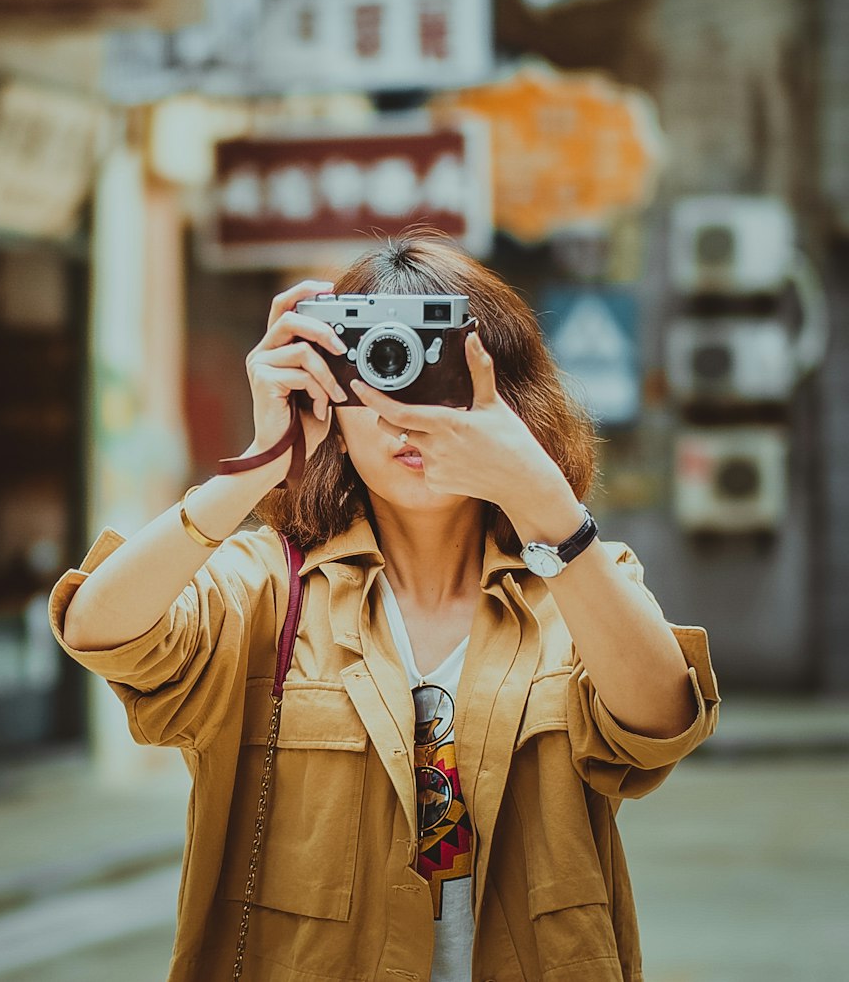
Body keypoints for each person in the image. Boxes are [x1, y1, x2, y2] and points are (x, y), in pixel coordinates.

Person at [50, 231, 721, 982]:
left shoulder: (577, 581)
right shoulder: (272, 588)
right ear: (329, 395)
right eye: (380, 365)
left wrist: (547, 507)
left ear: (509, 399)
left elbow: (662, 721)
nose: (408, 411)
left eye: (439, 371)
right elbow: (98, 628)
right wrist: (256, 468)